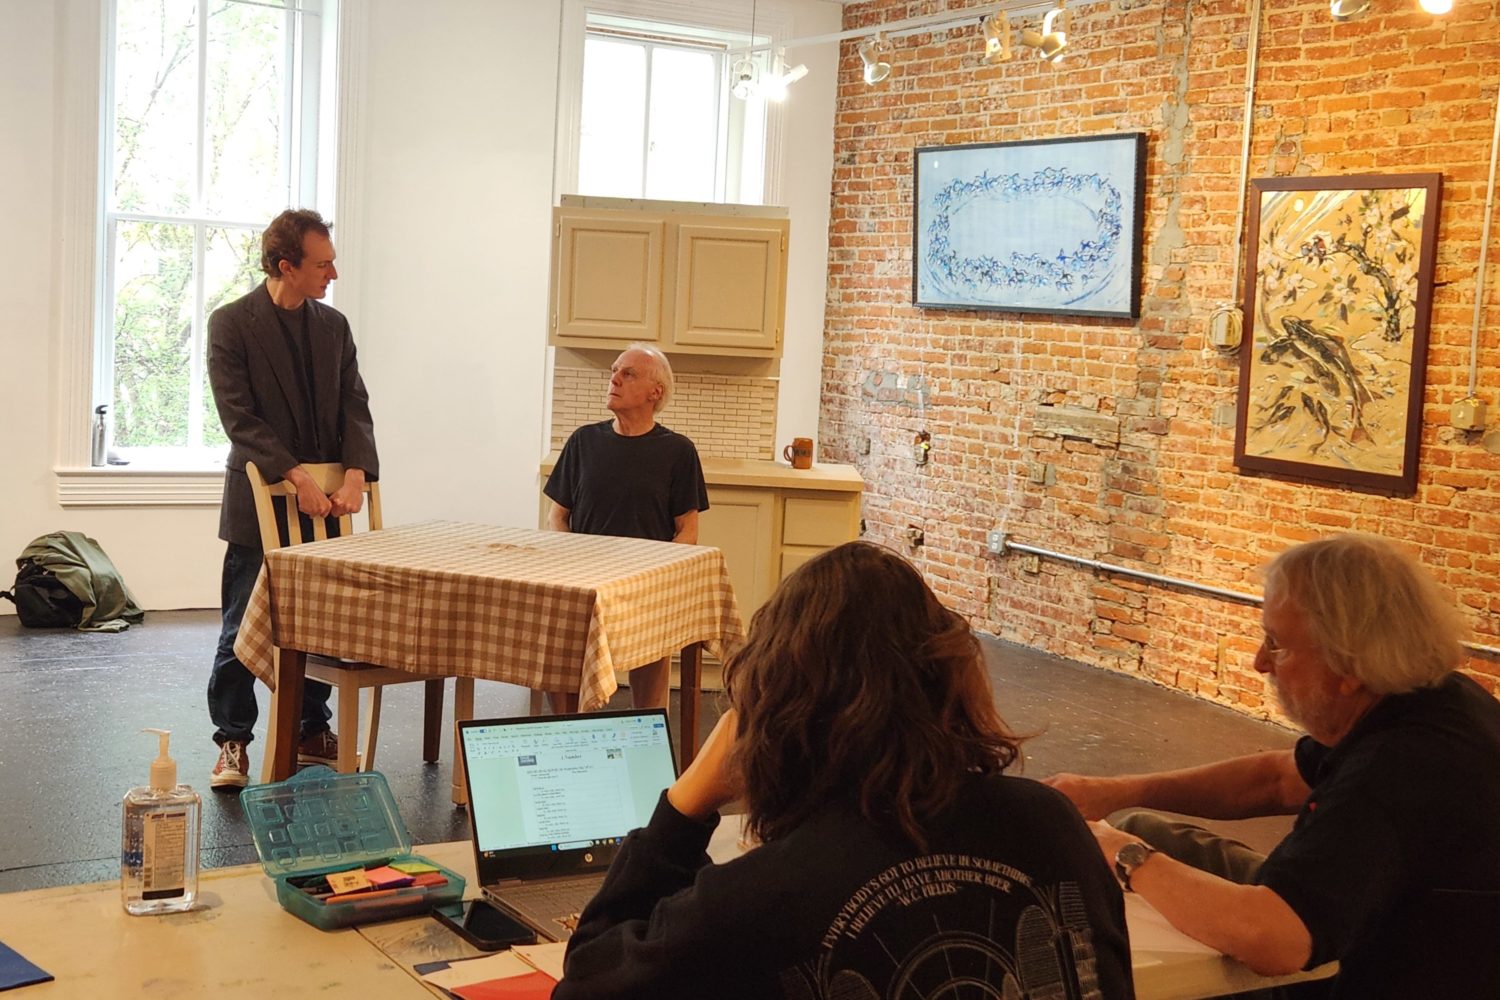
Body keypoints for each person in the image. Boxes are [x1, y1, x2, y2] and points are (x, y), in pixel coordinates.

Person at [554, 541, 1134, 1000]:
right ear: (952, 680)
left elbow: (586, 982)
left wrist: (684, 806)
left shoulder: (760, 898)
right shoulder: (1052, 827)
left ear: (771, 710)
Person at [1047, 533, 1500, 999]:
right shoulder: (1436, 700)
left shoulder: (1396, 769)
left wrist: (1123, 854)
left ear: (1347, 665)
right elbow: (1276, 780)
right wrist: (1118, 791)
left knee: (1131, 860)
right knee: (1143, 825)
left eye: (1276, 644)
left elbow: (1274, 941)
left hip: (1375, 975)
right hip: (1385, 921)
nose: (1260, 662)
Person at [205, 208, 379, 790]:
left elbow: (355, 404)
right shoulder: (231, 324)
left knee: (320, 625)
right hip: (258, 502)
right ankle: (232, 740)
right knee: (241, 625)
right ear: (287, 266)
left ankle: (310, 728)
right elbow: (239, 418)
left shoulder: (335, 326)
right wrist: (297, 476)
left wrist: (355, 474)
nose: (333, 273)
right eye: (323, 264)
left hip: (325, 505)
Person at [543, 343, 708, 712]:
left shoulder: (678, 451)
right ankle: (568, 731)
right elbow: (558, 516)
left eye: (628, 373)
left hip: (644, 585)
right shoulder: (584, 441)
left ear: (655, 392)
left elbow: (688, 530)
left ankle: (648, 730)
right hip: (584, 578)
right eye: (614, 371)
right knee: (560, 651)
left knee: (651, 663)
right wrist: (570, 557)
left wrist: (656, 573)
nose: (614, 379)